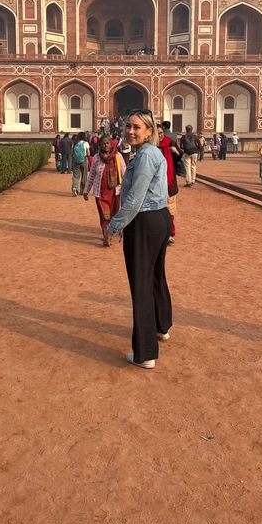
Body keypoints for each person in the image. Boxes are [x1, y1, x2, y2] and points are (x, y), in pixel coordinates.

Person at [105, 109, 172, 369]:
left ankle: (145, 354)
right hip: (159, 217)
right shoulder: (152, 153)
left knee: (141, 284)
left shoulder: (145, 156)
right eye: (128, 126)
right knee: (155, 276)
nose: (130, 131)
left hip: (144, 221)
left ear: (149, 131)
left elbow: (134, 200)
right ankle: (161, 326)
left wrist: (113, 226)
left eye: (137, 127)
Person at [83, 136, 126, 244]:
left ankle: (110, 233)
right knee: (104, 215)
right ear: (99, 145)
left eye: (107, 143)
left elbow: (124, 172)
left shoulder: (118, 156)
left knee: (114, 215)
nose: (105, 145)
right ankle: (107, 237)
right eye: (103, 143)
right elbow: (92, 175)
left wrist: (129, 188)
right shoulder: (97, 158)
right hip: (101, 192)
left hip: (115, 192)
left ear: (111, 144)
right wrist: (86, 190)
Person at [157, 124, 181, 244]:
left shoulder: (170, 142)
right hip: (155, 184)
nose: (160, 136)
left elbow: (180, 157)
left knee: (170, 209)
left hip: (170, 182)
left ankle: (170, 233)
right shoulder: (150, 146)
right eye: (157, 133)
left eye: (161, 133)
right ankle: (160, 233)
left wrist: (176, 152)